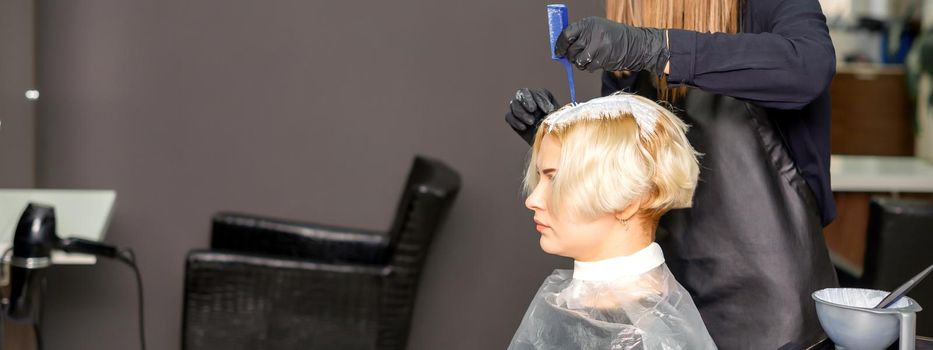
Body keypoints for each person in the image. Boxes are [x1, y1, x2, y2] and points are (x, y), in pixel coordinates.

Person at [505, 1, 838, 348]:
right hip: (664, 298)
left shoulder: (760, 7)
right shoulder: (632, 11)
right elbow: (627, 167)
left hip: (770, 307)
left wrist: (654, 48)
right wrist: (566, 152)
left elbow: (808, 65)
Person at [508, 93, 715, 350]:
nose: (533, 200)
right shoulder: (567, 303)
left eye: (556, 179)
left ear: (628, 202)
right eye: (541, 177)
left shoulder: (652, 338)